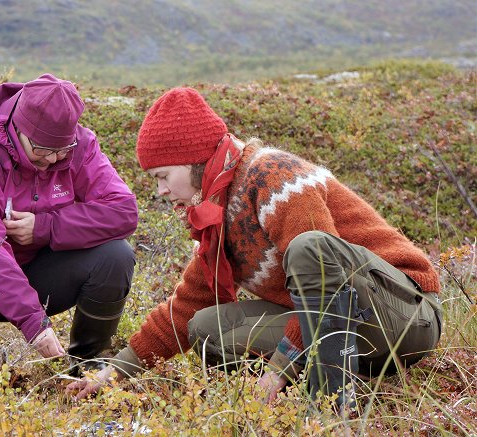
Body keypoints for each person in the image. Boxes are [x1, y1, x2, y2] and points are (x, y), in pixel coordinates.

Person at [67, 87, 442, 410]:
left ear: (193, 160)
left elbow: (326, 273)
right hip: (352, 328)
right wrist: (114, 372)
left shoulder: (274, 177)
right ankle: (349, 372)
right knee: (206, 327)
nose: (161, 190)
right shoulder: (218, 211)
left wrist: (278, 370)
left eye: (163, 176)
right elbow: (187, 305)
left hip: (405, 314)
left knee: (309, 249)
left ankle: (327, 401)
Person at [0, 74, 138, 376]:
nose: (54, 159)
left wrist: (46, 227)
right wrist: (35, 324)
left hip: (33, 268)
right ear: (19, 130)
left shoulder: (80, 146)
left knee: (115, 256)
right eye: (42, 150)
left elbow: (123, 211)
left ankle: (87, 364)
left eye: (62, 150)